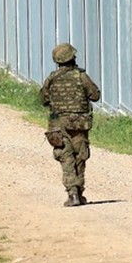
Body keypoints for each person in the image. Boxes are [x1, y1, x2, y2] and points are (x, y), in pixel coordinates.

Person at [41, 43, 101, 207]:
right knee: (80, 156)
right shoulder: (81, 76)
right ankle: (79, 193)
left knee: (65, 157)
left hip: (58, 124)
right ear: (72, 58)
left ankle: (72, 193)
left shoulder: (52, 78)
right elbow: (95, 95)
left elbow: (43, 99)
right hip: (79, 124)